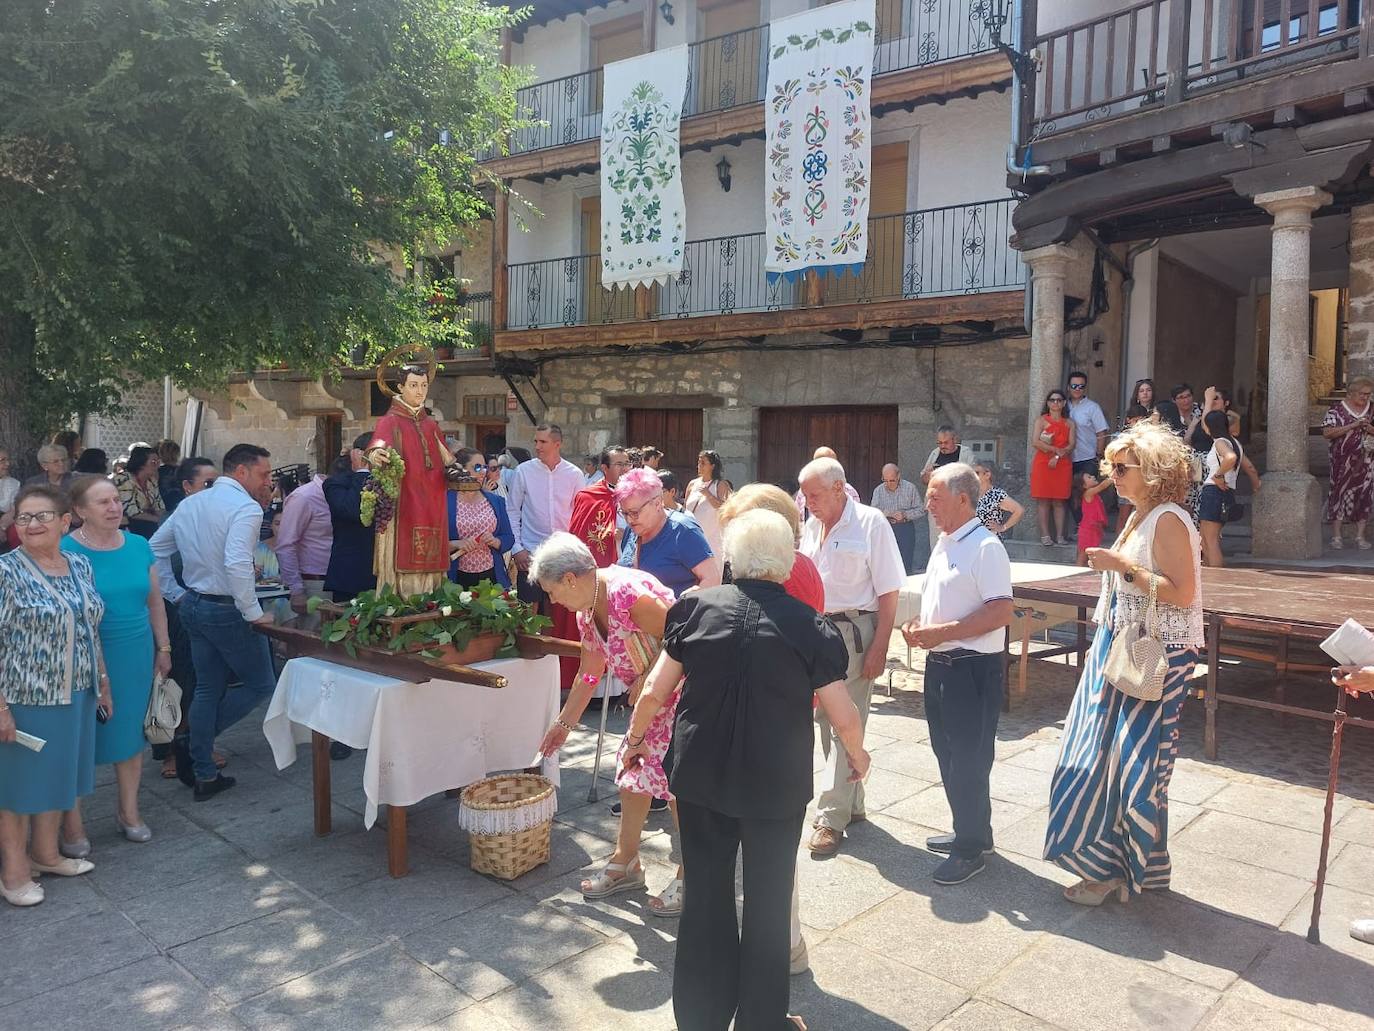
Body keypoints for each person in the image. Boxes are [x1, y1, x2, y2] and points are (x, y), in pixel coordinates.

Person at [623, 510, 869, 1031]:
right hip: (774, 784)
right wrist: (857, 754)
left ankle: (701, 1017)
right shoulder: (809, 626)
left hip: (701, 777)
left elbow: (654, 689)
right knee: (768, 899)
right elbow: (841, 710)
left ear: (733, 557)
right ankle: (762, 1021)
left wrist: (636, 739)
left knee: (707, 897)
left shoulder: (693, 608)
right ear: (785, 564)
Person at [1045, 421, 1203, 904]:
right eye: (1109, 466)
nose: (1111, 474)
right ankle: (1133, 870)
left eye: (1121, 467)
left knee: (1134, 768)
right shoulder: (1139, 515)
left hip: (1157, 657)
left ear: (1152, 472)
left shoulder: (1170, 519)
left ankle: (1114, 872)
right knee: (1107, 762)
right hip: (1121, 649)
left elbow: (1183, 593)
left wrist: (1123, 569)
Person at [531, 533, 684, 914]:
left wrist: (649, 677)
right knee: (632, 774)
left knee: (680, 785)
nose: (553, 602)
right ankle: (626, 861)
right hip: (650, 702)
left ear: (569, 579)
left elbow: (685, 638)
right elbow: (589, 671)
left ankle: (692, 873)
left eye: (552, 591)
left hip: (682, 696)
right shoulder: (588, 609)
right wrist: (564, 724)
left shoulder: (627, 594)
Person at [716, 483, 824, 976]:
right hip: (755, 719)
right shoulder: (769, 569)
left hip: (772, 724)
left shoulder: (793, 573)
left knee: (773, 848)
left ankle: (785, 947)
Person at [900, 464, 1013, 885]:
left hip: (971, 669)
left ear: (963, 499)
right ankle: (972, 831)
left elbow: (1001, 611)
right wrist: (919, 628)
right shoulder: (947, 542)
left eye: (934, 495)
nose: (927, 503)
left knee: (968, 758)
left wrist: (940, 632)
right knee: (947, 753)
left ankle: (970, 850)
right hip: (941, 664)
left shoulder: (986, 546)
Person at [0, 486, 110, 907]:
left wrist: (102, 681)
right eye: (24, 517)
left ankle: (45, 855)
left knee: (60, 777)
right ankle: (13, 872)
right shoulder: (6, 571)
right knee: (18, 788)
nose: (32, 525)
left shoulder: (80, 564)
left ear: (66, 522)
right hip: (26, 696)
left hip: (76, 692)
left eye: (42, 516)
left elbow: (90, 626)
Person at [151, 443, 276, 800]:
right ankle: (195, 742)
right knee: (260, 685)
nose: (267, 481)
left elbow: (155, 549)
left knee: (208, 687)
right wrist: (253, 613)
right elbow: (237, 562)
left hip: (196, 603)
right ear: (241, 472)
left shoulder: (191, 503)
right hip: (224, 608)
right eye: (264, 474)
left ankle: (204, 769)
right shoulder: (245, 507)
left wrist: (177, 593)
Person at [797, 457, 902, 856]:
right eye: (805, 495)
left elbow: (890, 590)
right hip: (819, 629)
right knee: (827, 720)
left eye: (815, 494)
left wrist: (881, 646)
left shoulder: (871, 523)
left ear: (839, 488)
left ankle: (830, 818)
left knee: (847, 721)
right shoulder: (810, 525)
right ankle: (851, 803)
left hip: (857, 632)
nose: (808, 502)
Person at [60, 476, 170, 847]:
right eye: (102, 502)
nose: (113, 507)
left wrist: (164, 648)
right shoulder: (64, 550)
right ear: (78, 511)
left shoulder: (138, 545)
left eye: (115, 500)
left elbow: (154, 601)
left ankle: (128, 811)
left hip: (135, 652)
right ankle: (71, 824)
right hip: (83, 656)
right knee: (79, 740)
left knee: (129, 736)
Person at [366, 359, 462, 595]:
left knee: (431, 551)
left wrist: (458, 472)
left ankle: (431, 595)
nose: (419, 391)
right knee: (404, 548)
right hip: (405, 500)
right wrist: (377, 453)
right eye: (413, 385)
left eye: (423, 385)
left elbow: (447, 458)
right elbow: (376, 445)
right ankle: (402, 597)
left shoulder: (431, 425)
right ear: (400, 387)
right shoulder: (390, 421)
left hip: (432, 500)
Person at [507, 424, 584, 607]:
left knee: (559, 613)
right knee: (528, 614)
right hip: (530, 555)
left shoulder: (574, 474)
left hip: (563, 556)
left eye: (543, 442)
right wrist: (517, 548)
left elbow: (580, 514)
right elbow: (511, 510)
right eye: (536, 441)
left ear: (557, 444)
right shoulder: (523, 472)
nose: (537, 446)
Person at [618, 468, 719, 597]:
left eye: (635, 513)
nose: (629, 519)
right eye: (624, 513)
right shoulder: (631, 530)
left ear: (657, 503)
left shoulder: (683, 531)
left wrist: (682, 606)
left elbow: (712, 579)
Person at [446, 447, 514, 588]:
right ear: (462, 469)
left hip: (492, 576)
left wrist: (495, 541)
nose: (483, 472)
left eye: (484, 467)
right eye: (477, 467)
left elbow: (508, 538)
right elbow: (433, 544)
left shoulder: (496, 501)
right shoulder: (445, 501)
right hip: (456, 577)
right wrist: (456, 544)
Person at [324, 433, 377, 606]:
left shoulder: (389, 483)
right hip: (353, 576)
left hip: (385, 576)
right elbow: (352, 511)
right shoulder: (336, 484)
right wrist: (362, 471)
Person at [274, 467, 334, 619]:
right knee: (313, 638)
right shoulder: (304, 497)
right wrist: (297, 590)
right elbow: (286, 544)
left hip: (342, 580)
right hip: (315, 582)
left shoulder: (341, 495)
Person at [1322, 376, 1374, 550]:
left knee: (1364, 494)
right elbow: (1327, 433)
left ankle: (1360, 537)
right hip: (1341, 462)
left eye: (1368, 394)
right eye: (1362, 394)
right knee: (1338, 494)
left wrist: (1369, 428)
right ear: (1351, 393)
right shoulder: (1336, 410)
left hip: (1366, 462)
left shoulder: (1372, 409)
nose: (1365, 397)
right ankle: (1336, 537)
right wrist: (1352, 426)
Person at [1030, 389, 1075, 546]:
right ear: (1048, 403)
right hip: (1043, 463)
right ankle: (1045, 535)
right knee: (1043, 500)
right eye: (1052, 400)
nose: (1055, 403)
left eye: (1059, 400)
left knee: (1059, 501)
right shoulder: (1041, 421)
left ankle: (1060, 536)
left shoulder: (1069, 423)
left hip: (1062, 463)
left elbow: (1071, 444)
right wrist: (1055, 450)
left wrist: (1058, 455)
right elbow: (1035, 441)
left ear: (1063, 403)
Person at [1197, 410, 1242, 568]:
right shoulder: (1235, 442)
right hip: (1225, 491)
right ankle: (1211, 572)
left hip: (1214, 492)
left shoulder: (1220, 442)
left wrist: (1218, 474)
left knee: (1210, 540)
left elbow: (1230, 457)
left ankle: (1216, 575)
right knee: (1206, 538)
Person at [870, 463, 923, 574]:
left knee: (905, 561)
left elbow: (921, 510)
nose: (888, 484)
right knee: (886, 562)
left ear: (898, 476)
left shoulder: (910, 488)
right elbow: (873, 511)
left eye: (892, 480)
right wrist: (886, 513)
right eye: (885, 480)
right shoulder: (878, 491)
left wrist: (905, 515)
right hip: (886, 528)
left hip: (905, 528)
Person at [684, 450, 731, 575]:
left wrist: (708, 494)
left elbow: (725, 509)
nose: (699, 465)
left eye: (703, 463)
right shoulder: (692, 484)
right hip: (691, 537)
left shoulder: (720, 485)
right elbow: (685, 509)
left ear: (713, 466)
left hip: (712, 541)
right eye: (699, 462)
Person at [793, 446, 860, 521]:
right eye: (819, 463)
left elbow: (855, 521)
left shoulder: (849, 491)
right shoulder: (803, 491)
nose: (808, 503)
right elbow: (796, 518)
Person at [112, 444, 165, 539]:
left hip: (148, 523)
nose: (157, 465)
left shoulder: (151, 480)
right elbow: (131, 512)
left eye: (158, 462)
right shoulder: (123, 479)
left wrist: (160, 518)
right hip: (128, 526)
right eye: (153, 462)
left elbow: (160, 505)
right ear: (141, 463)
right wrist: (158, 520)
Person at [1067, 370, 1109, 479]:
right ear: (1068, 387)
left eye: (1081, 386)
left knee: (1087, 493)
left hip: (1088, 458)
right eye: (1074, 386)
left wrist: (1098, 456)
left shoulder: (1093, 407)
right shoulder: (1062, 406)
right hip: (1066, 458)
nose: (1077, 389)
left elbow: (1101, 432)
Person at [973, 462, 1023, 538]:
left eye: (977, 473)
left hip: (989, 541)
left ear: (987, 475)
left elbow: (1019, 510)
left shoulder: (996, 494)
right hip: (973, 540)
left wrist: (1003, 527)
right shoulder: (972, 493)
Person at [1075, 471, 1111, 568]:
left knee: (1090, 555)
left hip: (1095, 529)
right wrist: (1113, 476)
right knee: (1083, 555)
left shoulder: (1094, 494)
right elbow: (1102, 486)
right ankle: (1076, 574)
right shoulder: (1088, 493)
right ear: (1084, 486)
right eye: (1089, 477)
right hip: (1087, 529)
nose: (1093, 476)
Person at [155, 440, 181, 509]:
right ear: (177, 453)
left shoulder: (156, 471)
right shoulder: (184, 470)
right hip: (181, 505)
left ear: (160, 454)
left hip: (163, 506)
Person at [0, 448, 18, 538]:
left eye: (8, 460)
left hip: (5, 523)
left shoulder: (14, 483)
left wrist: (2, 527)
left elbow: (14, 510)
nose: (8, 464)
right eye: (2, 460)